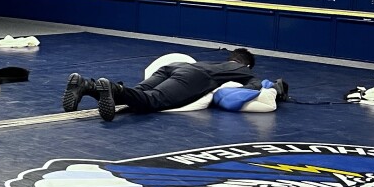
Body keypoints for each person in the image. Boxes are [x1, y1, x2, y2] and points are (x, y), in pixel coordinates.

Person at [61, 48, 259, 121]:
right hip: (194, 77)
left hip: (173, 66)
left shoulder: (216, 62)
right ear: (247, 64)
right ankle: (114, 88)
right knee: (153, 100)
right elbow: (256, 85)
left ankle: (86, 85)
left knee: (136, 94)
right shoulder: (242, 69)